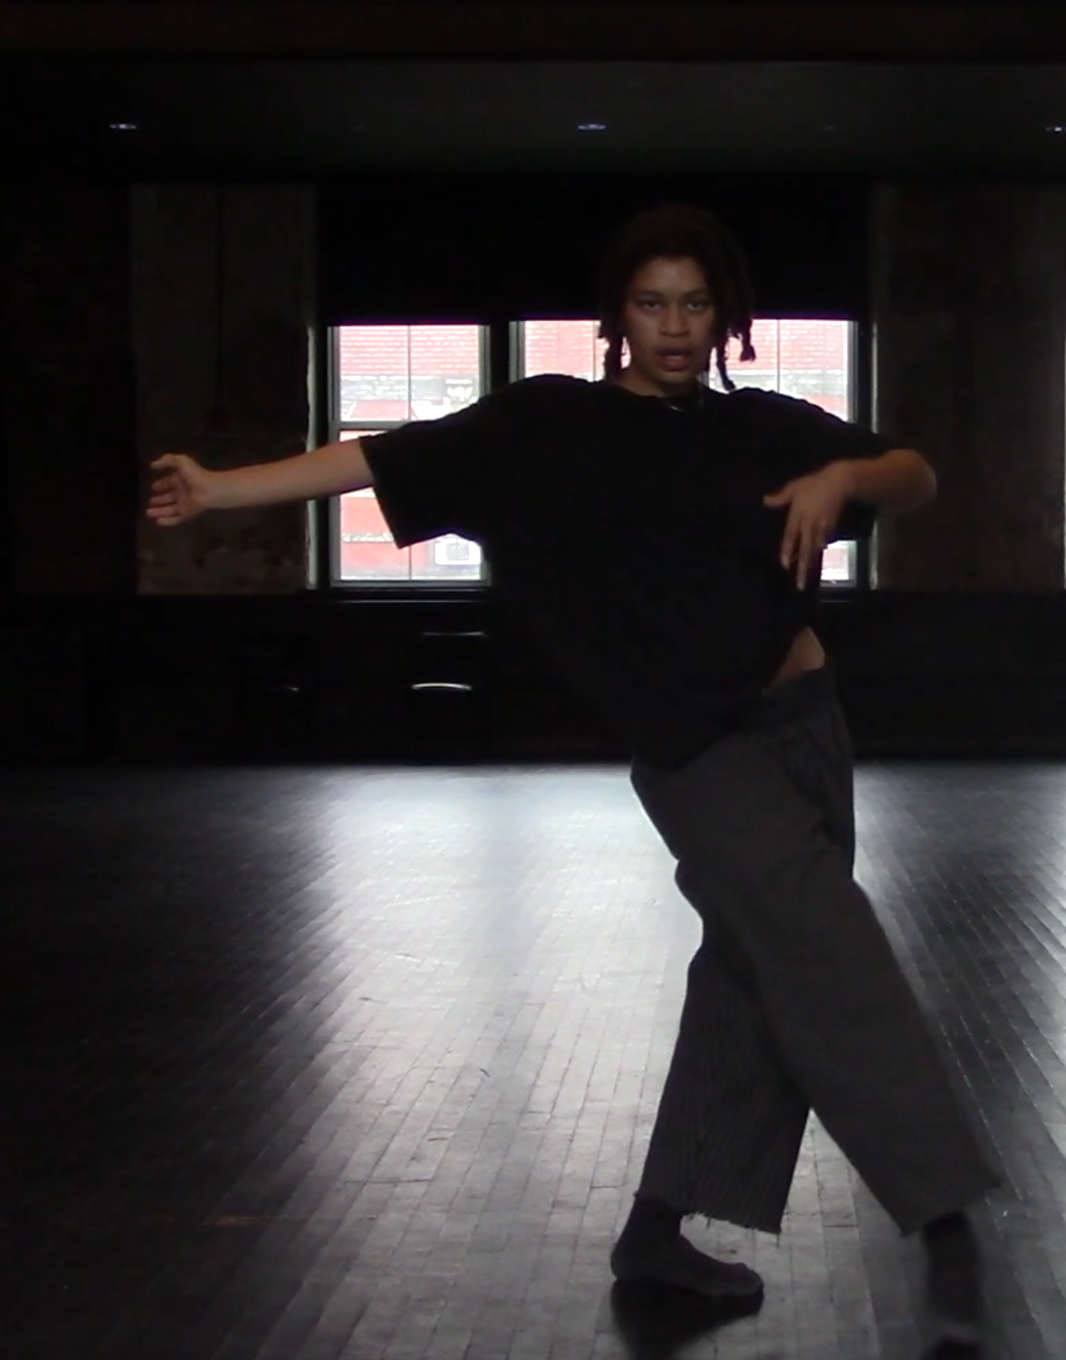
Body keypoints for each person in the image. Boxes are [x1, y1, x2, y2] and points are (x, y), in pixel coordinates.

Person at [146, 204, 1000, 1355]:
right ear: (616, 317)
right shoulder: (544, 424)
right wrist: (216, 489)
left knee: (754, 975)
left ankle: (655, 1232)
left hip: (806, 728)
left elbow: (915, 474)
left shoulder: (761, 427)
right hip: (703, 755)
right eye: (651, 304)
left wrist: (843, 473)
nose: (674, 326)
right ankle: (946, 1221)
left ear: (722, 316)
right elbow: (377, 457)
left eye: (693, 304)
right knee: (825, 945)